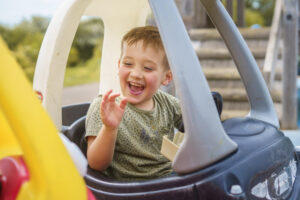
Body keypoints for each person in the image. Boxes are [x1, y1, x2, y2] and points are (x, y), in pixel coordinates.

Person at [85, 26, 182, 181]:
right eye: (128, 64)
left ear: (166, 77)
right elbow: (96, 164)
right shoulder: (104, 107)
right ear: (119, 66)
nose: (136, 74)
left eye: (148, 68)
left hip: (170, 180)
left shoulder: (167, 103)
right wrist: (110, 128)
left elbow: (194, 124)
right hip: (130, 191)